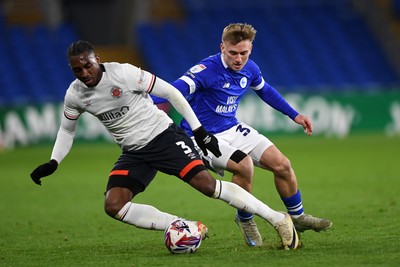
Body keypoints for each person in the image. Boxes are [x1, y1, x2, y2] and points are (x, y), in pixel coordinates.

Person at [30, 40, 299, 250]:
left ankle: (278, 219)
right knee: (114, 206)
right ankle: (184, 226)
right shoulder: (75, 94)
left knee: (208, 186)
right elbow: (67, 130)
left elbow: (170, 91)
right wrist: (55, 161)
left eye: (87, 65)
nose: (84, 73)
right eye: (77, 70)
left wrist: (199, 130)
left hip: (163, 137)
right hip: (134, 152)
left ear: (96, 59)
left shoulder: (124, 73)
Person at [152, 23, 332, 247]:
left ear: (251, 50)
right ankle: (246, 219)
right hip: (202, 137)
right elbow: (173, 90)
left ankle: (297, 218)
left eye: (244, 53)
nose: (238, 59)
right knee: (244, 165)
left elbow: (265, 90)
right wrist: (144, 100)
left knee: (283, 165)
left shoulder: (251, 68)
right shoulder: (206, 71)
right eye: (233, 53)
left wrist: (293, 115)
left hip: (232, 127)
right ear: (222, 48)